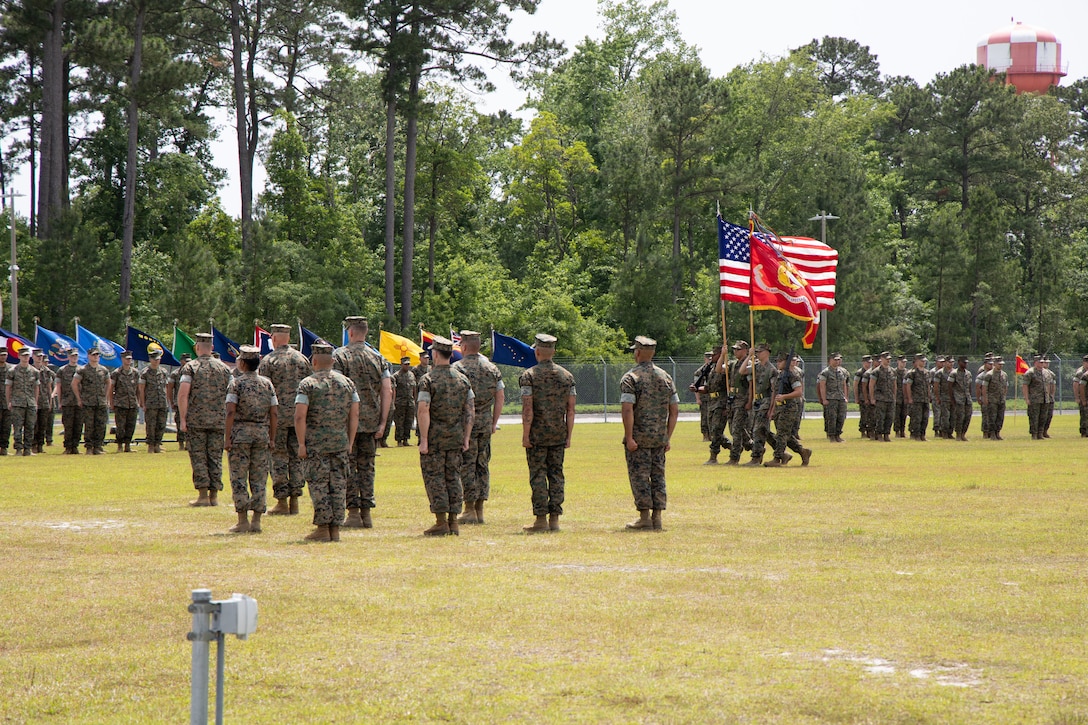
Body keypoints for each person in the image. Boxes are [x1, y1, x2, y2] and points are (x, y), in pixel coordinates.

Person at [296, 342, 359, 542]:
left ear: (313, 361)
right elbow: (354, 414)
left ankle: (323, 528)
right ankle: (336, 529)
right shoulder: (347, 383)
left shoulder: (307, 384)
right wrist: (350, 441)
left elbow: (299, 417)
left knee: (319, 485)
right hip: (340, 442)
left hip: (316, 445)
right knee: (339, 485)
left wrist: (301, 444)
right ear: (333, 361)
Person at [334, 316, 392, 529]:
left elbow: (336, 389)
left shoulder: (340, 357)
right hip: (371, 423)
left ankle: (353, 514)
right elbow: (387, 390)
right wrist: (383, 422)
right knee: (367, 468)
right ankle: (366, 514)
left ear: (350, 333)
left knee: (348, 466)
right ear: (365, 333)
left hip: (346, 423)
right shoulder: (378, 358)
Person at [416, 336, 474, 536]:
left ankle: (441, 522)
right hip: (456, 437)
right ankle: (453, 522)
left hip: (435, 439)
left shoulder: (428, 380)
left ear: (435, 354)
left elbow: (424, 410)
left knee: (435, 479)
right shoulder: (462, 379)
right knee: (454, 477)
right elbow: (469, 411)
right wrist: (466, 438)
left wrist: (423, 440)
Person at [519, 333, 576, 532]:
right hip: (558, 434)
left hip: (537, 435)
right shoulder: (566, 376)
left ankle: (541, 520)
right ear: (553, 352)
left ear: (537, 351)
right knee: (556, 475)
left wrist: (526, 435)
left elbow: (528, 409)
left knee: (538, 476)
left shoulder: (529, 376)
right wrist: (568, 435)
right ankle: (555, 520)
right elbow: (571, 409)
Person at [620, 336, 679, 530]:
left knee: (640, 476)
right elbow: (674, 410)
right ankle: (658, 517)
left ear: (637, 353)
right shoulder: (665, 377)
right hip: (658, 438)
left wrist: (629, 437)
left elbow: (628, 409)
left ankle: (644, 517)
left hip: (639, 438)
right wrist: (667, 437)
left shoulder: (631, 377)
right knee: (658, 476)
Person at [258, 324, 312, 516]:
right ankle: (295, 499)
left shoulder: (268, 361)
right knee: (297, 456)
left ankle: (281, 501)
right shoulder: (302, 359)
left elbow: (263, 391)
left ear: (273, 338)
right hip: (299, 417)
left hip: (277, 418)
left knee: (278, 457)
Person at [224, 346, 278, 534]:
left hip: (240, 435)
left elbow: (231, 411)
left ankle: (242, 520)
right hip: (261, 435)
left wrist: (227, 437)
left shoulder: (236, 384)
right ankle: (256, 521)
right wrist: (271, 438)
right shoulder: (267, 384)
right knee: (259, 478)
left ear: (243, 363)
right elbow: (274, 412)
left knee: (239, 478)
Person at [453, 331, 504, 525]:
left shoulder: (457, 368)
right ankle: (480, 510)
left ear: (464, 347)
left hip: (465, 424)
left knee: (467, 465)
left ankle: (469, 509)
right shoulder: (492, 369)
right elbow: (500, 397)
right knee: (482, 465)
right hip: (484, 424)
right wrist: (493, 422)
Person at [178, 333, 232, 506]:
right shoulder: (224, 369)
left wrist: (183, 419)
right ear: (212, 348)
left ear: (197, 348)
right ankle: (214, 496)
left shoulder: (190, 367)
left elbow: (183, 394)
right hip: (218, 420)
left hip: (197, 420)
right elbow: (232, 395)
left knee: (199, 457)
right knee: (215, 457)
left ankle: (202, 495)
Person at [766, 352, 812, 467]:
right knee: (785, 435)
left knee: (781, 434)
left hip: (789, 408)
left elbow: (798, 392)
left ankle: (777, 458)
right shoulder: (779, 375)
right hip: (779, 408)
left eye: (780, 361)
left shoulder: (792, 375)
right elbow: (775, 393)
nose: (778, 363)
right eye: (777, 361)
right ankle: (803, 451)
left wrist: (784, 397)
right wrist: (772, 409)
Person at [73, 348, 110, 454]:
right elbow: (74, 383)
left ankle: (98, 447)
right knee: (89, 425)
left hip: (100, 402)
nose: (95, 357)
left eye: (97, 355)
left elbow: (108, 383)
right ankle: (89, 447)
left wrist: (106, 397)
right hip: (88, 402)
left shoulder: (103, 370)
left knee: (101, 425)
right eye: (93, 355)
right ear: (88, 356)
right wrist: (79, 398)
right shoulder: (83, 370)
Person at [744, 343, 777, 466]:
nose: (758, 353)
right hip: (756, 402)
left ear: (767, 353)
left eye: (760, 351)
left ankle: (756, 457)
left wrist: (772, 409)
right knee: (761, 430)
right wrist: (749, 356)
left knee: (758, 430)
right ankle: (781, 452)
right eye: (756, 351)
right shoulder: (755, 367)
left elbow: (774, 390)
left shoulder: (772, 370)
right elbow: (742, 371)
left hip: (766, 402)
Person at [7, 347, 40, 456]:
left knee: (30, 426)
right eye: (23, 355)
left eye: (27, 355)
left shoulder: (34, 372)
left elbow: (36, 388)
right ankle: (18, 449)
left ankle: (28, 449)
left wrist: (35, 401)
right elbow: (8, 387)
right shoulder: (13, 371)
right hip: (17, 403)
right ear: (19, 356)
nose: (25, 358)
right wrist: (9, 401)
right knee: (17, 427)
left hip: (30, 403)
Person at [724, 341, 752, 464]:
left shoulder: (750, 364)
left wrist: (750, 401)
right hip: (732, 399)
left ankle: (734, 457)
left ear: (745, 350)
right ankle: (753, 446)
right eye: (734, 349)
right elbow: (720, 369)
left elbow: (749, 382)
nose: (735, 352)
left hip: (742, 399)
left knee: (736, 429)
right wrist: (722, 355)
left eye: (738, 349)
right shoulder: (733, 363)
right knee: (734, 428)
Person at [139, 349, 170, 453]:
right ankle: (151, 446)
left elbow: (166, 387)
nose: (156, 361)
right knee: (151, 425)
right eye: (154, 359)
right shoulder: (145, 373)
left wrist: (168, 401)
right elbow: (141, 389)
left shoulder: (164, 372)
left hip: (162, 402)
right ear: (150, 359)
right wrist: (142, 403)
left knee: (161, 425)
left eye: (158, 359)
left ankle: (157, 444)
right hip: (151, 403)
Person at [702, 345, 729, 465]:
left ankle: (713, 456)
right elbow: (708, 387)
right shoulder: (711, 369)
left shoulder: (725, 367)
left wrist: (723, 355)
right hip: (711, 402)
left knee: (716, 429)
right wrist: (698, 389)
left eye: (714, 354)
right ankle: (732, 446)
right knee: (713, 431)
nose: (712, 356)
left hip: (721, 402)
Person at [108, 351, 140, 452]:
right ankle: (120, 446)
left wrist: (138, 401)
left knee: (131, 426)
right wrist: (111, 402)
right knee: (120, 426)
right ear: (122, 359)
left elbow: (138, 389)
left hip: (132, 403)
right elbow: (111, 388)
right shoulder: (116, 373)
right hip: (120, 404)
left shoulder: (135, 373)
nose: (128, 361)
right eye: (127, 359)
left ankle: (127, 445)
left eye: (130, 359)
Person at [55, 348, 82, 454]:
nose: (74, 358)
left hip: (79, 402)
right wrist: (60, 401)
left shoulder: (82, 369)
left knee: (78, 425)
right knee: (68, 425)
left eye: (75, 356)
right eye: (72, 356)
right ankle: (68, 447)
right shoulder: (62, 370)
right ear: (68, 357)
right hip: (67, 401)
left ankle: (75, 446)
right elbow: (59, 386)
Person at [817, 352, 849, 443]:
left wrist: (845, 397)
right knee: (832, 418)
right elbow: (822, 386)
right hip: (831, 398)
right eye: (835, 360)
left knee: (841, 417)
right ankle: (831, 436)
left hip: (841, 398)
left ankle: (838, 435)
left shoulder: (842, 371)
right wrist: (824, 399)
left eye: (838, 360)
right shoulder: (825, 372)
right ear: (829, 360)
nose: (837, 361)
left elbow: (844, 384)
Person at [867, 352, 896, 442]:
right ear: (882, 359)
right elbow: (871, 385)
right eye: (886, 359)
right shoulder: (876, 371)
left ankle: (886, 434)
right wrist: (872, 398)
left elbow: (894, 385)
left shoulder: (892, 371)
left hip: (890, 398)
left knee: (889, 417)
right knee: (880, 417)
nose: (888, 360)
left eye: (889, 359)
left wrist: (894, 396)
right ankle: (879, 434)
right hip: (880, 398)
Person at [903, 353, 931, 441]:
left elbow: (928, 386)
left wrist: (929, 396)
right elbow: (908, 386)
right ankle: (916, 435)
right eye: (922, 361)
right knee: (916, 418)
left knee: (925, 418)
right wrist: (909, 398)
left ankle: (923, 435)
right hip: (916, 399)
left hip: (925, 399)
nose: (924, 362)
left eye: (924, 361)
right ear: (917, 361)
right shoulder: (912, 373)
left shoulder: (927, 373)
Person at [33, 350, 56, 453]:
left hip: (44, 401)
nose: (39, 358)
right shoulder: (30, 370)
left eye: (41, 356)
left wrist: (50, 401)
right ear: (33, 357)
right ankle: (33, 445)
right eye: (38, 356)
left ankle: (40, 446)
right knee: (33, 425)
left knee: (43, 425)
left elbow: (49, 387)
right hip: (32, 401)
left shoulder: (46, 371)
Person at [980, 357, 1008, 440]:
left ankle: (997, 433)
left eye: (1001, 364)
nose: (1000, 366)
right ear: (995, 364)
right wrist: (985, 398)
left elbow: (1005, 386)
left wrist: (1004, 396)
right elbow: (984, 387)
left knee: (1000, 417)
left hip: (1001, 399)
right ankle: (992, 433)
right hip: (992, 399)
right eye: (999, 364)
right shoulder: (989, 375)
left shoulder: (1004, 374)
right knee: (992, 417)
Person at [391, 357, 417, 447]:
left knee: (409, 422)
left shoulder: (411, 375)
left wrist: (415, 399)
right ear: (401, 364)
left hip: (410, 402)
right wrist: (393, 402)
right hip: (400, 402)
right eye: (405, 364)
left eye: (408, 364)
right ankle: (399, 440)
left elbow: (414, 389)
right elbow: (393, 389)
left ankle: (406, 439)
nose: (407, 366)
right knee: (399, 423)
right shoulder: (396, 376)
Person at [168, 353, 191, 450]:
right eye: (186, 361)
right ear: (181, 361)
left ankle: (189, 444)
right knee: (179, 423)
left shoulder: (193, 372)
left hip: (191, 403)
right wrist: (171, 402)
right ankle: (181, 444)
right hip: (179, 403)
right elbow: (170, 388)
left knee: (191, 424)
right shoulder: (175, 374)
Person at [1022, 355, 1047, 440]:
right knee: (1034, 417)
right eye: (1040, 362)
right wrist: (1027, 398)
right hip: (1034, 399)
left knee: (1043, 417)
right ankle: (1034, 434)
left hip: (1044, 398)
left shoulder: (1045, 372)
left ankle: (1040, 433)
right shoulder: (1030, 373)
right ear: (1035, 362)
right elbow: (1025, 386)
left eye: (1043, 362)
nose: (1042, 364)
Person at [691, 351, 714, 442]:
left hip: (713, 397)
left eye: (711, 358)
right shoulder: (699, 372)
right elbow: (695, 386)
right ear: (705, 359)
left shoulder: (715, 370)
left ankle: (713, 434)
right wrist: (698, 398)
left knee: (713, 417)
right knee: (704, 417)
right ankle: (705, 434)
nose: (709, 360)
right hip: (704, 398)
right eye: (708, 358)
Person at [949, 356, 973, 441]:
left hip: (967, 399)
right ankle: (958, 434)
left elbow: (969, 386)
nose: (965, 364)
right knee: (959, 417)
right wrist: (952, 400)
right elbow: (950, 387)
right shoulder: (954, 373)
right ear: (959, 362)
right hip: (958, 399)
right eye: (964, 362)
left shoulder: (968, 374)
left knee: (967, 417)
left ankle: (963, 434)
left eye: (966, 363)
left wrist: (970, 396)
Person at [974, 355, 994, 439]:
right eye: (989, 364)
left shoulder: (995, 374)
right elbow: (978, 388)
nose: (991, 365)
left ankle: (993, 433)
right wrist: (979, 398)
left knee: (993, 416)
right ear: (985, 364)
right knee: (985, 416)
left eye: (992, 364)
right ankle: (985, 433)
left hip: (994, 398)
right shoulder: (981, 375)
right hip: (985, 398)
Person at [853, 355, 872, 439]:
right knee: (864, 415)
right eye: (868, 362)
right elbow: (855, 385)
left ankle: (870, 431)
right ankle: (863, 431)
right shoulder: (859, 372)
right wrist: (857, 397)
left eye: (870, 362)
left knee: (870, 415)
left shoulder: (872, 372)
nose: (869, 364)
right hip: (862, 397)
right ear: (863, 362)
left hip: (870, 396)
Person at [1041, 357, 1056, 438]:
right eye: (1045, 362)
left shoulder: (1051, 374)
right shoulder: (1037, 372)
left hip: (1049, 398)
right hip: (1040, 398)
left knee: (1049, 416)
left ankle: (1045, 431)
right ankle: (1039, 432)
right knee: (1041, 416)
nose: (1047, 364)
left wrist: (1052, 396)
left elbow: (1053, 385)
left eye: (1048, 362)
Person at [893, 355, 908, 438]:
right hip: (897, 396)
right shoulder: (894, 372)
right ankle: (897, 431)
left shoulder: (907, 372)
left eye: (905, 362)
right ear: (898, 362)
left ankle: (902, 430)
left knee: (904, 414)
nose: (904, 363)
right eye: (902, 362)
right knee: (897, 415)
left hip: (904, 396)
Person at [1075, 354, 1088, 438]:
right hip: (1084, 397)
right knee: (1084, 415)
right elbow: (1076, 385)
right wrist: (1078, 397)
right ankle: (1084, 431)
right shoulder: (1080, 372)